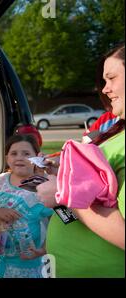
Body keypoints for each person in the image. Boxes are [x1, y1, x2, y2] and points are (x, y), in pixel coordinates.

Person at [37, 43, 125, 277]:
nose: (105, 89)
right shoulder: (115, 131)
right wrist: (66, 174)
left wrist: (64, 193)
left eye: (111, 78)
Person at [0, 134, 53, 278]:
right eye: (14, 153)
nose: (19, 157)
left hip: (29, 264)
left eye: (26, 154)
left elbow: (55, 223)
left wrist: (44, 249)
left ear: (36, 158)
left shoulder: (44, 187)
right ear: (7, 159)